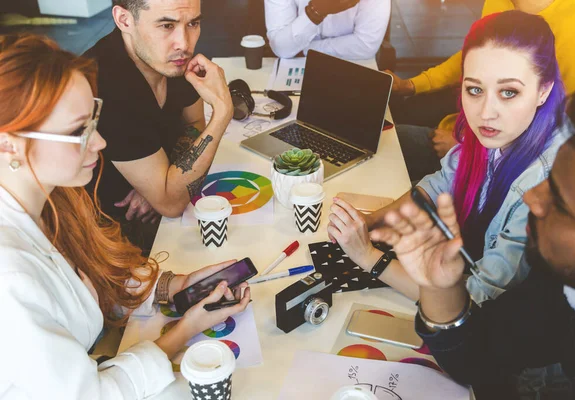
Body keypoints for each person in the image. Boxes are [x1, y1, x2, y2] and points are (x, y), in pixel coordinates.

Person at [0, 33, 250, 399]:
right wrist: (180, 334)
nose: (100, 142)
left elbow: (87, 281)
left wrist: (171, 287)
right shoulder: (10, 278)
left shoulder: (53, 198)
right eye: (77, 131)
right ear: (9, 144)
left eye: (94, 121)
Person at [370, 66, 575, 399]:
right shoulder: (561, 290)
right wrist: (439, 289)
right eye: (474, 88)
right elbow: (475, 359)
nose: (532, 198)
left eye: (562, 204)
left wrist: (372, 259)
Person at [328, 11, 568, 304]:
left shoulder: (548, 183)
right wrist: (373, 222)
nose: (485, 112)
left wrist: (368, 256)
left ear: (543, 91)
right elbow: (441, 181)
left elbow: (477, 297)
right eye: (475, 89)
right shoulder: (500, 131)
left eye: (508, 92)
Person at [388, 0, 575, 182]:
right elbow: (475, 54)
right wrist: (412, 85)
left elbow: (570, 140)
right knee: (377, 143)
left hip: (501, 174)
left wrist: (476, 153)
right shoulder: (500, 3)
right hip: (461, 138)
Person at [84, 0, 234, 253]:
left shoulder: (168, 60)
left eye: (193, 23)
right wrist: (222, 113)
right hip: (108, 238)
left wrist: (161, 181)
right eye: (166, 25)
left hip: (157, 220)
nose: (184, 44)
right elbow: (172, 203)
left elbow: (194, 122)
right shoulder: (106, 88)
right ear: (124, 20)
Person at [265, 0, 391, 59]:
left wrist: (303, 49)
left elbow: (365, 45)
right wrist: (315, 13)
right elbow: (282, 48)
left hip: (355, 65)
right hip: (292, 70)